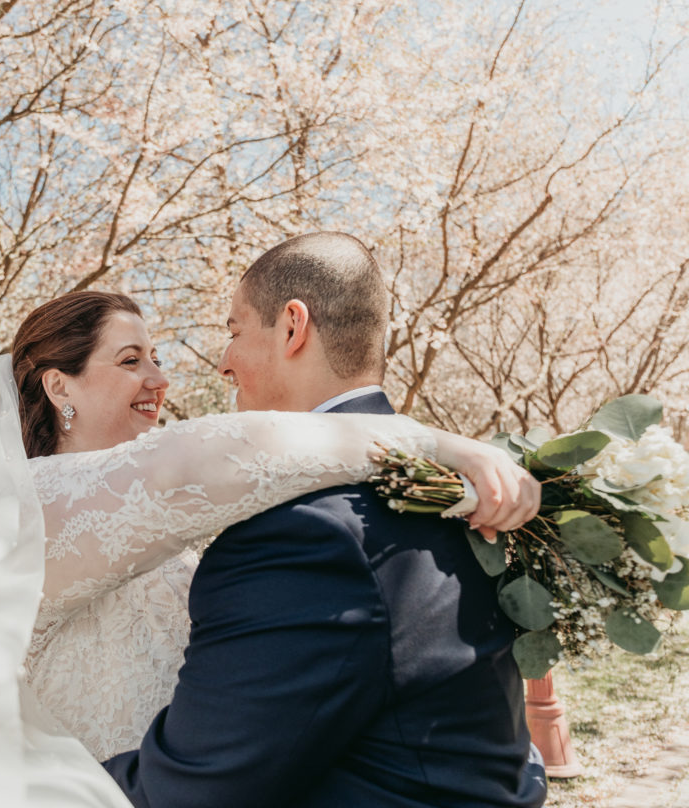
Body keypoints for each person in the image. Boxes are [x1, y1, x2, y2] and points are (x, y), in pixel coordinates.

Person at [0, 290, 537, 763]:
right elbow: (203, 457)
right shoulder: (32, 506)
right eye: (130, 360)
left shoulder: (145, 522)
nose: (159, 380)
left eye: (156, 358)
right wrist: (421, 440)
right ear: (58, 384)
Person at [102, 233, 549, 807]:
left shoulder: (305, 533)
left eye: (234, 331)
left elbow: (193, 791)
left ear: (292, 327)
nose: (222, 361)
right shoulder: (453, 491)